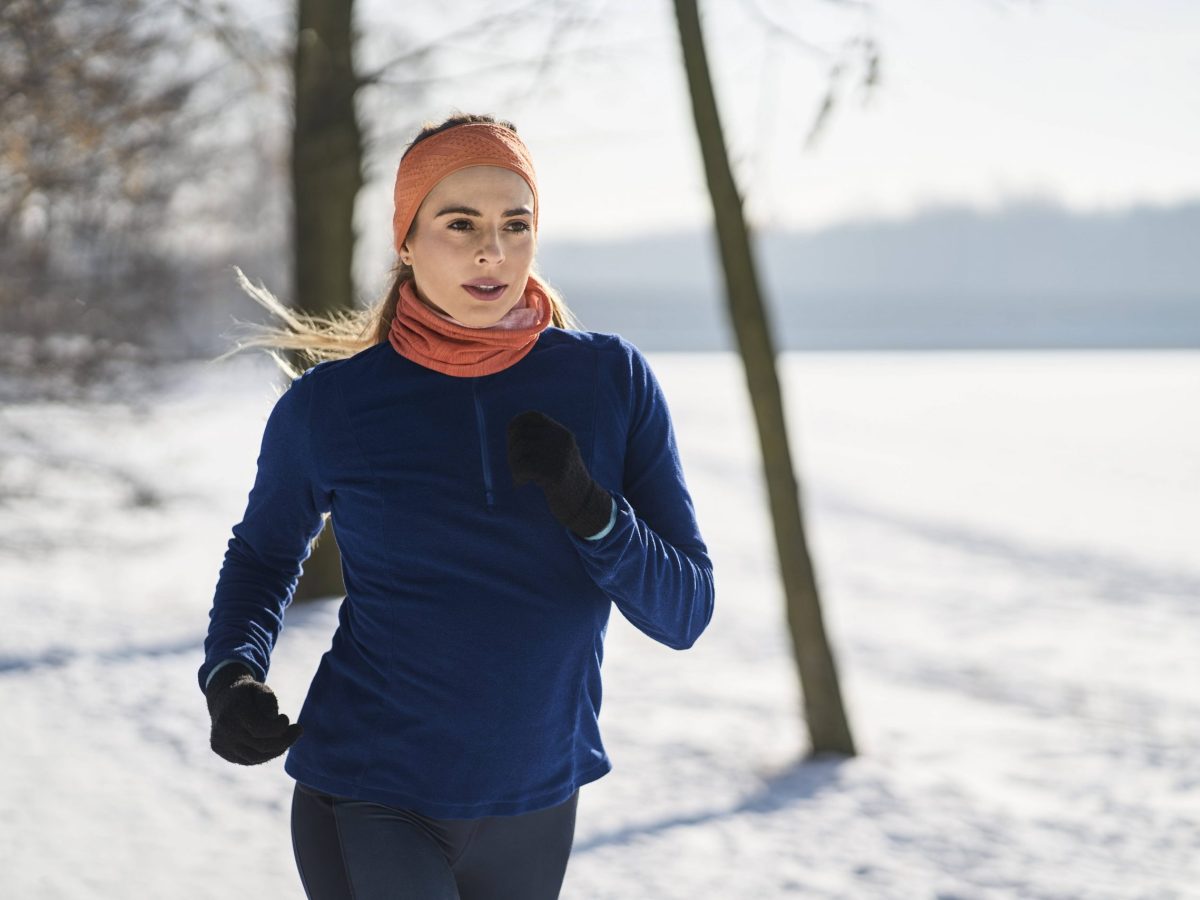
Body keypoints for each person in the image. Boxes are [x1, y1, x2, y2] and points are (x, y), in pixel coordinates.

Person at [198, 112, 716, 900]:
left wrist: (592, 511)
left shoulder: (610, 383)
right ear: (405, 240)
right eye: (460, 223)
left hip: (537, 801)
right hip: (373, 788)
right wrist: (232, 675)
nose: (492, 250)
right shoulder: (332, 406)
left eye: (516, 224)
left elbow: (684, 613)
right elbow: (265, 554)